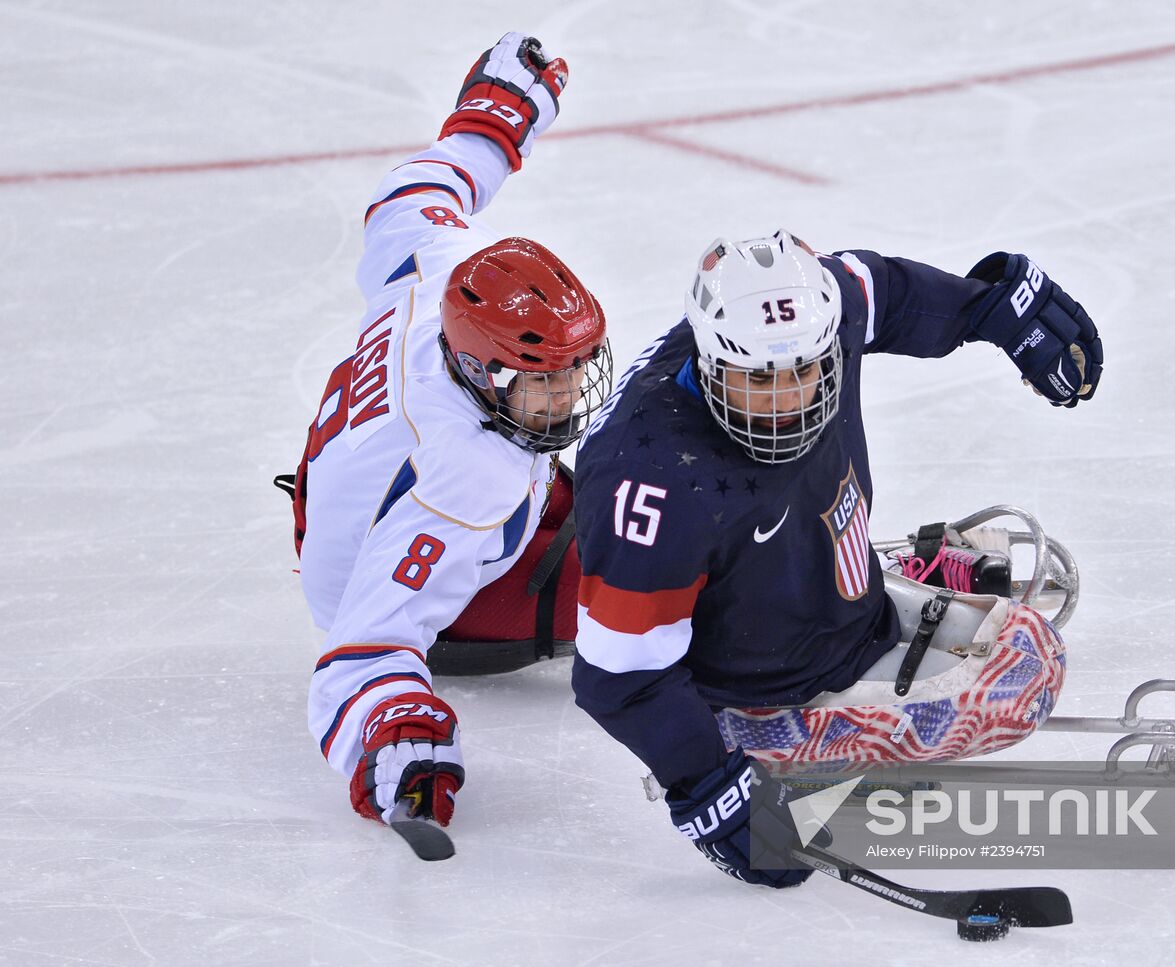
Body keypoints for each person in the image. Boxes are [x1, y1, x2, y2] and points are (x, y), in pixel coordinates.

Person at [570, 231, 1101, 887]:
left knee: (1016, 640)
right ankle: (761, 740)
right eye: (757, 379)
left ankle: (854, 568)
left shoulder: (809, 314)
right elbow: (618, 672)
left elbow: (880, 288)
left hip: (817, 594)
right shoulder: (648, 478)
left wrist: (987, 305)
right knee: (1028, 672)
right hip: (751, 682)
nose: (785, 399)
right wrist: (708, 786)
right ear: (710, 362)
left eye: (803, 371)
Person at [285, 33, 612, 830]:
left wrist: (497, 115)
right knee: (638, 582)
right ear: (482, 373)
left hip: (352, 483)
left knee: (635, 496)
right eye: (545, 380)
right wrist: (396, 734)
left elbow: (423, 185)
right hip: (379, 556)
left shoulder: (440, 262)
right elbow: (364, 646)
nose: (569, 392)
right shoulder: (464, 480)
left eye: (575, 366)